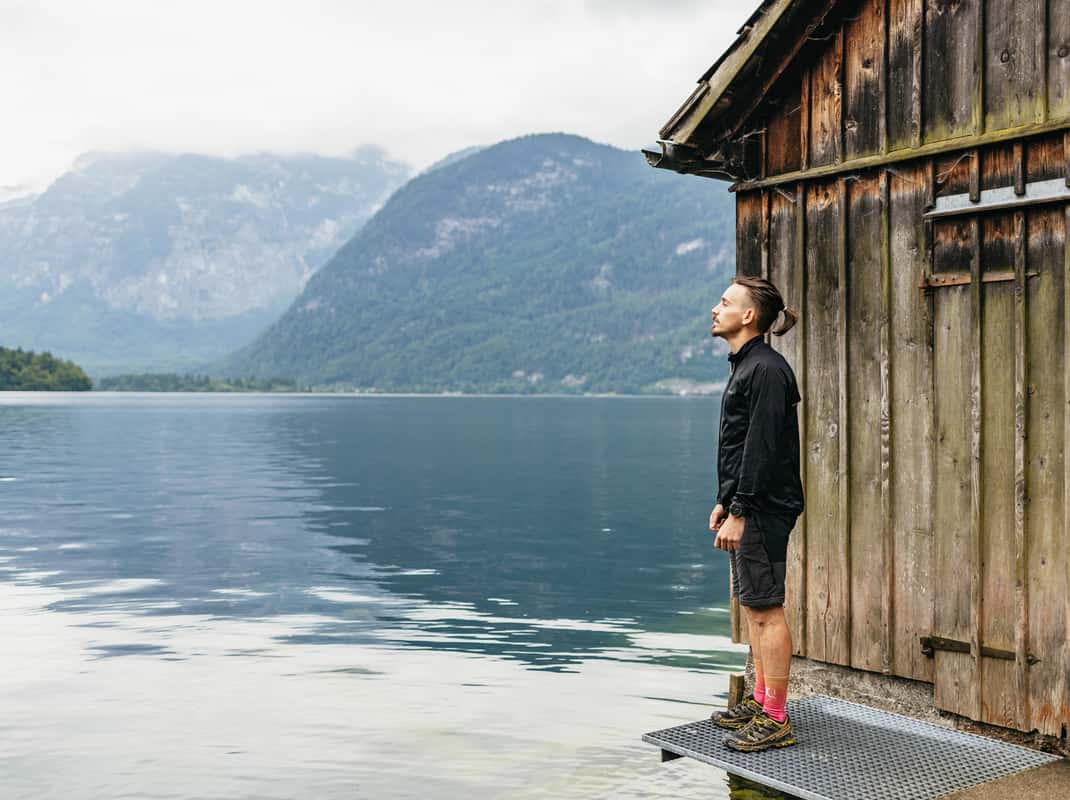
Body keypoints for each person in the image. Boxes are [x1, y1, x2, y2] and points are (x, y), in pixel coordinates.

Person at [707, 276, 804, 752]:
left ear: (749, 317)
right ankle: (762, 701)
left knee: (766, 608)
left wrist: (742, 511)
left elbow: (764, 448)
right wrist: (726, 501)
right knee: (752, 605)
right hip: (748, 505)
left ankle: (777, 717)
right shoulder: (748, 366)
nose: (715, 308)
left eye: (725, 302)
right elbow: (741, 446)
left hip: (764, 508)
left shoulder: (766, 369)